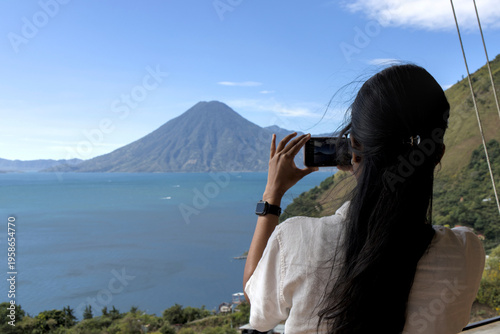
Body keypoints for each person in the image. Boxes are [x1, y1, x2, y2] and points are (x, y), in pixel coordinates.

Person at [243, 64, 485, 334]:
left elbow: (257, 306)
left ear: (353, 150)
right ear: (437, 154)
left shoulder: (294, 240)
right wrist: (367, 162)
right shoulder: (466, 253)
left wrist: (271, 198)